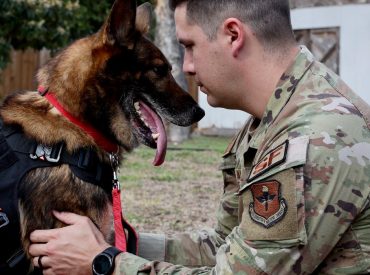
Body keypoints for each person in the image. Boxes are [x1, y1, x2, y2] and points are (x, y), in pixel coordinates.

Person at [29, 0, 370, 274]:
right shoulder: (271, 118)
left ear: (233, 35)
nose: (187, 66)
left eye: (189, 46)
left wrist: (103, 262)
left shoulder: (313, 138)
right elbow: (223, 243)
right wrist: (117, 241)